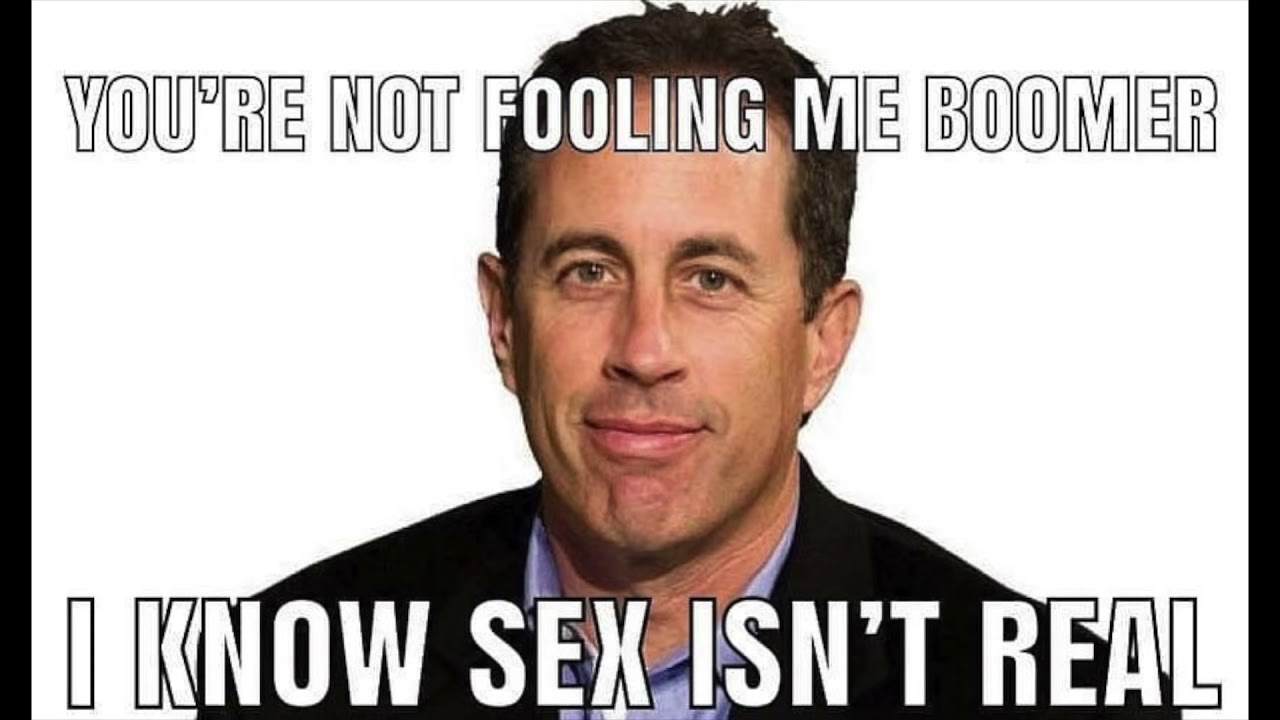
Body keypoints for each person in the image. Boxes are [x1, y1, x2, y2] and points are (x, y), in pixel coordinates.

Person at [199, 4, 1178, 718]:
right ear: (504, 322)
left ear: (822, 341)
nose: (643, 350)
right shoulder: (282, 671)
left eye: (710, 279)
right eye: (588, 272)